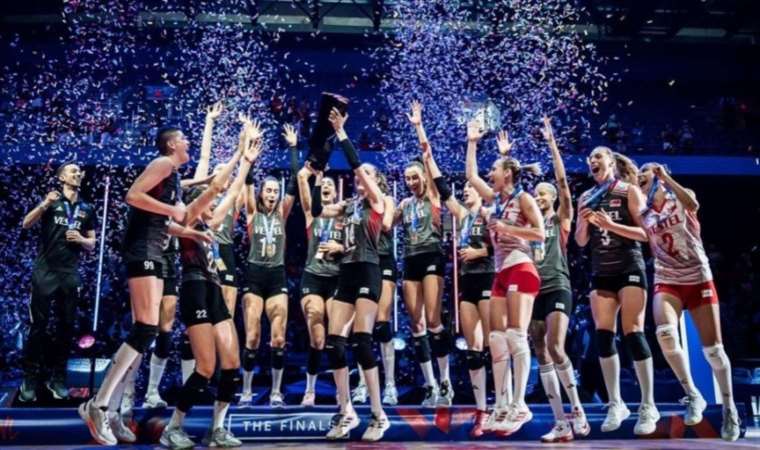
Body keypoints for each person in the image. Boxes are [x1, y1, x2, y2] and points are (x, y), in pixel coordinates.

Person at [79, 126, 217, 445]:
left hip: (153, 250)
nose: (188, 141)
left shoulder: (172, 177)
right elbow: (132, 196)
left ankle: (110, 408)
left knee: (147, 330)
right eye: (184, 138)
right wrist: (172, 210)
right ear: (172, 144)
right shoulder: (163, 163)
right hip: (141, 250)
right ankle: (98, 404)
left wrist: (193, 233)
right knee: (145, 328)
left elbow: (164, 222)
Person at [160, 121, 261, 450]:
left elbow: (231, 193)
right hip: (194, 288)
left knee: (231, 365)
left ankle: (217, 429)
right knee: (205, 367)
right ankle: (173, 427)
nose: (213, 206)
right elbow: (217, 187)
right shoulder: (187, 217)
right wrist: (238, 151)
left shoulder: (212, 223)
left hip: (214, 289)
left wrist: (246, 163)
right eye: (206, 202)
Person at [639, 163, 740, 441]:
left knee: (714, 351)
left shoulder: (681, 197)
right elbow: (642, 235)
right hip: (667, 278)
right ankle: (693, 394)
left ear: (658, 176)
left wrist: (666, 178)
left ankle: (729, 407)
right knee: (665, 334)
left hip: (698, 277)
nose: (640, 177)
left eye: (645, 173)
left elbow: (693, 204)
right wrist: (610, 225)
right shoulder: (644, 214)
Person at [465, 120, 544, 435]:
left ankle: (520, 404)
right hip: (501, 272)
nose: (489, 174)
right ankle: (501, 404)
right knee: (496, 339)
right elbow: (471, 176)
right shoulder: (496, 200)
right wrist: (472, 143)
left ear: (508, 174)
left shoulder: (524, 199)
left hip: (521, 267)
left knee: (516, 335)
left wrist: (507, 228)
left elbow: (540, 233)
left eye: (494, 170)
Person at [316, 108, 389, 441]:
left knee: (362, 342)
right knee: (335, 345)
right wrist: (313, 172)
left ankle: (378, 414)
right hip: (346, 271)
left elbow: (357, 165)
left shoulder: (379, 202)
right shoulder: (349, 206)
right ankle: (345, 410)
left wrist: (342, 134)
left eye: (368, 174)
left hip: (368, 270)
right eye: (361, 176)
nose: (361, 177)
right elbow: (317, 210)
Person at [575, 146, 659, 435]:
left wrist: (611, 225)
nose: (593, 161)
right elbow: (581, 241)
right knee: (603, 335)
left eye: (598, 157)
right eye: (590, 159)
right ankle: (615, 403)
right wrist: (583, 222)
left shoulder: (628, 191)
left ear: (610, 161)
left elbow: (647, 233)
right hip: (602, 271)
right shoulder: (586, 197)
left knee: (633, 332)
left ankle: (648, 405)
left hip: (629, 266)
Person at [422, 144, 493, 437]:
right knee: (473, 350)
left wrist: (481, 252)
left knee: (495, 345)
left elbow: (508, 243)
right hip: (467, 283)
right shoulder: (462, 216)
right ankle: (481, 411)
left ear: (481, 191)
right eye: (463, 188)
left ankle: (506, 404)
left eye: (470, 187)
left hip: (488, 279)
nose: (465, 191)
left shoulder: (489, 213)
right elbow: (441, 189)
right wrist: (428, 157)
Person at [530, 117, 589, 442]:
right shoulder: (530, 224)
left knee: (556, 346)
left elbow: (564, 183)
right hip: (532, 291)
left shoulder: (561, 219)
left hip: (557, 285)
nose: (538, 197)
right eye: (535, 194)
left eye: (543, 194)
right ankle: (560, 421)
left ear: (552, 198)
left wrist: (552, 144)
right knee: (540, 351)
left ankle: (577, 409)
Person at [20, 162, 96, 402]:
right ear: (61, 177)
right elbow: (26, 223)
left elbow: (92, 244)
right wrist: (44, 203)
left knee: (66, 327)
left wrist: (81, 239)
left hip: (69, 274)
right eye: (72, 171)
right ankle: (30, 379)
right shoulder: (51, 201)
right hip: (45, 272)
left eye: (79, 171)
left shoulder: (87, 208)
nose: (78, 173)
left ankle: (58, 378)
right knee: (38, 327)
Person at [239, 121, 299, 407]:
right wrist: (250, 150)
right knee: (252, 337)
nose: (273, 194)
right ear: (262, 193)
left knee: (278, 338)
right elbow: (248, 181)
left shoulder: (282, 215)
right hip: (254, 275)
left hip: (276, 277)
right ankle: (246, 391)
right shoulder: (252, 212)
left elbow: (296, 184)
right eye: (269, 190)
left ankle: (276, 392)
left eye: (276, 190)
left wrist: (293, 149)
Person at [396, 101, 451, 407]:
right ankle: (430, 385)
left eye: (415, 177)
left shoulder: (432, 195)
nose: (411, 182)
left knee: (432, 319)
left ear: (424, 178)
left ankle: (445, 381)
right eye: (407, 179)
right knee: (416, 324)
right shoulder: (404, 205)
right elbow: (383, 224)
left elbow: (428, 158)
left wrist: (418, 127)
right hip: (410, 260)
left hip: (431, 255)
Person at [296, 155, 344, 407]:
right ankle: (310, 389)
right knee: (318, 339)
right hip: (313, 277)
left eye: (330, 186)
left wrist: (341, 247)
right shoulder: (310, 213)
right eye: (323, 185)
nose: (326, 187)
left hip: (336, 279)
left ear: (336, 193)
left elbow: (355, 245)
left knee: (335, 339)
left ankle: (341, 391)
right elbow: (301, 180)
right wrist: (314, 171)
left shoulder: (343, 215)